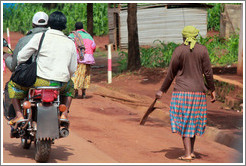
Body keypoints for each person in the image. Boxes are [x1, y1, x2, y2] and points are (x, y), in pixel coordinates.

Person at [155, 26, 216, 161]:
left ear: (183, 37)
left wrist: (162, 90)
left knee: (184, 122)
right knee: (192, 121)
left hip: (182, 92)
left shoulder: (179, 51)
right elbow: (208, 73)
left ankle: (187, 154)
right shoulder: (203, 50)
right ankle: (192, 151)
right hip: (199, 93)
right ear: (196, 36)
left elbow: (171, 73)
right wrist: (212, 90)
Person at [7, 11, 77, 125]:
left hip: (39, 80)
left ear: (49, 23)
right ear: (64, 26)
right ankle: (64, 114)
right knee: (70, 87)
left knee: (12, 85)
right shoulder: (70, 42)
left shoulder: (40, 37)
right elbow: (73, 68)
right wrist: (63, 76)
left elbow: (21, 56)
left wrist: (21, 63)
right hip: (60, 84)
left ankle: (19, 115)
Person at [68, 22, 96, 98]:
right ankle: (83, 93)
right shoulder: (89, 36)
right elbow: (93, 46)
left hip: (78, 59)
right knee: (86, 76)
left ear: (75, 28)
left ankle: (76, 92)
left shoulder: (72, 35)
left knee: (76, 75)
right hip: (88, 59)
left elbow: (68, 46)